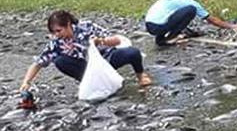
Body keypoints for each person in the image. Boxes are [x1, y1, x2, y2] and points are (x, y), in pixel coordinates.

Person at [20, 11, 152, 92]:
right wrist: (26, 82)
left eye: (59, 31)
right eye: (53, 32)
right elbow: (38, 63)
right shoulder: (56, 43)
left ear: (68, 25)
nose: (56, 34)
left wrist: (100, 41)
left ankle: (141, 76)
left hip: (107, 59)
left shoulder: (86, 27)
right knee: (60, 61)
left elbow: (116, 40)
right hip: (86, 69)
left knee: (133, 53)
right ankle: (90, 83)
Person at [145, 0, 237, 46]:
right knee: (191, 10)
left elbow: (171, 17)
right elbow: (212, 20)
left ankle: (160, 39)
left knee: (168, 16)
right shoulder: (189, 1)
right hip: (157, 26)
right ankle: (170, 38)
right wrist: (233, 26)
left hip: (149, 24)